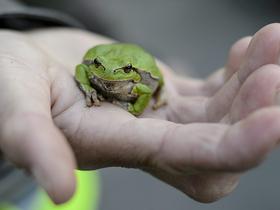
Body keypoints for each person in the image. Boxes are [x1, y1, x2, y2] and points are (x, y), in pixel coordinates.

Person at [1, 0, 280, 209]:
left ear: (129, 72)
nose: (107, 74)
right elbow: (82, 67)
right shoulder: (93, 68)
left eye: (121, 71)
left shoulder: (136, 81)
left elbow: (147, 86)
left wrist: (133, 106)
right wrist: (87, 85)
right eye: (98, 68)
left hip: (138, 67)